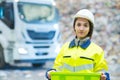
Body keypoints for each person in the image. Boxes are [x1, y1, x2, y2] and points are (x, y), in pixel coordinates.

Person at [46, 9, 110, 80]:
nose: (81, 28)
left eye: (85, 25)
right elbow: (56, 69)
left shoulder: (97, 51)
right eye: (78, 25)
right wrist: (50, 73)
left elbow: (103, 73)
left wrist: (104, 77)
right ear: (74, 27)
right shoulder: (65, 48)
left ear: (90, 29)